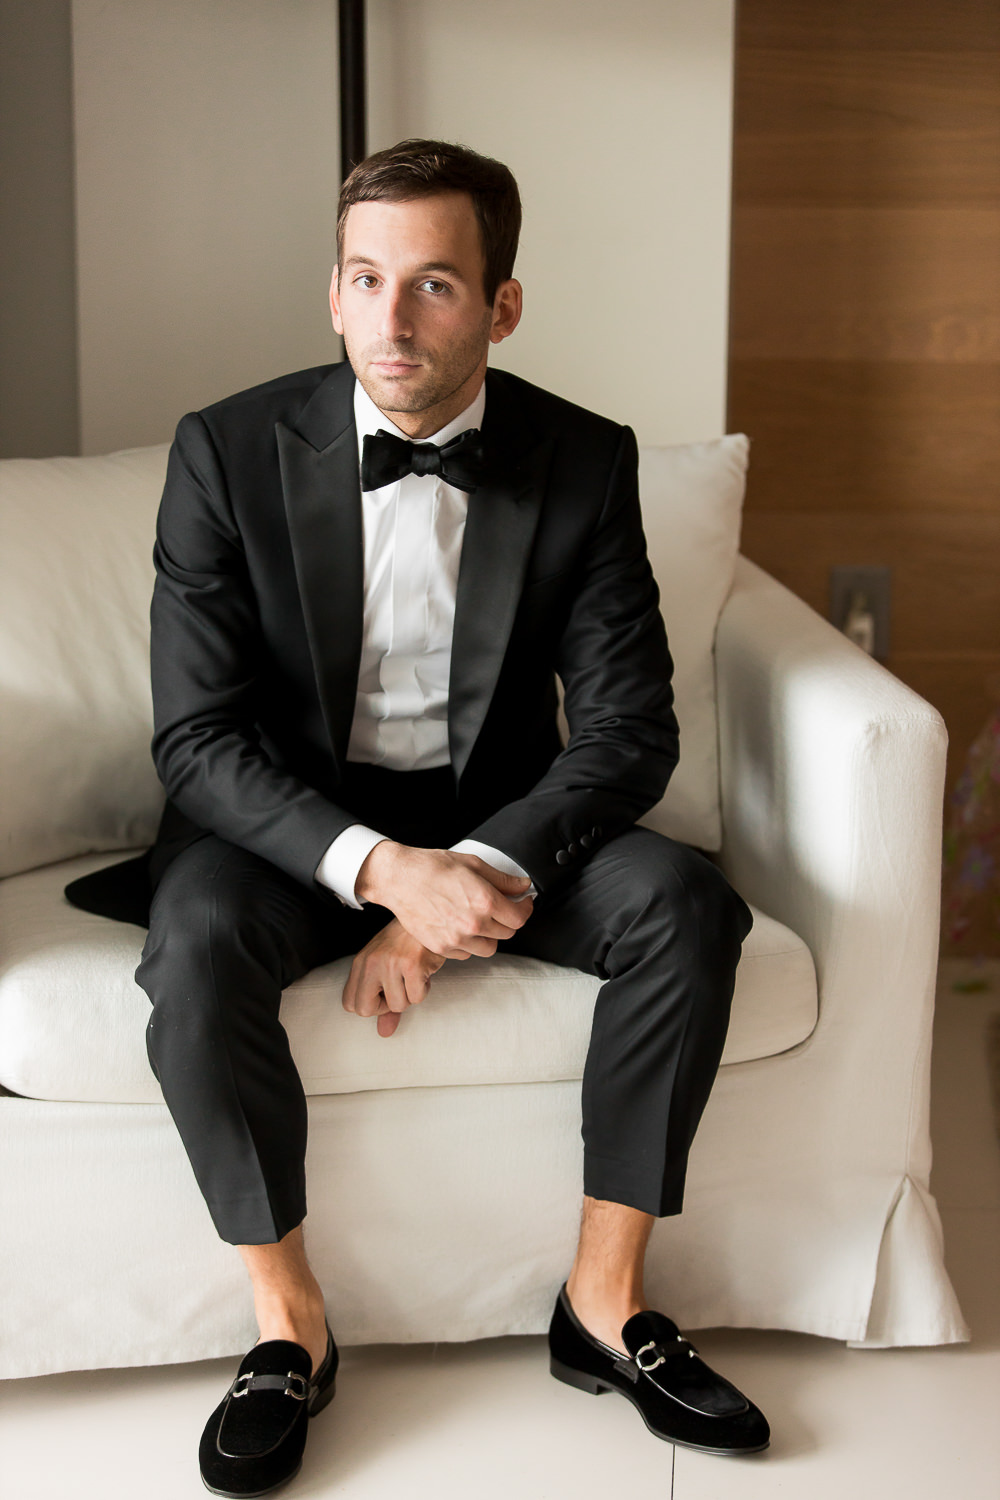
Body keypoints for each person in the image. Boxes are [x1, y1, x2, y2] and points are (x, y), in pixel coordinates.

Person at [74, 137, 767, 1495]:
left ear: (502, 306)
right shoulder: (226, 450)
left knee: (685, 905)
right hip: (285, 832)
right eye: (365, 278)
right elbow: (197, 739)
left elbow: (628, 733)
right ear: (332, 291)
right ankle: (289, 1325)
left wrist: (467, 883)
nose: (391, 319)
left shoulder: (585, 458)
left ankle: (604, 1304)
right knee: (193, 939)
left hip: (504, 819)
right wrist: (389, 875)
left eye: (435, 284)